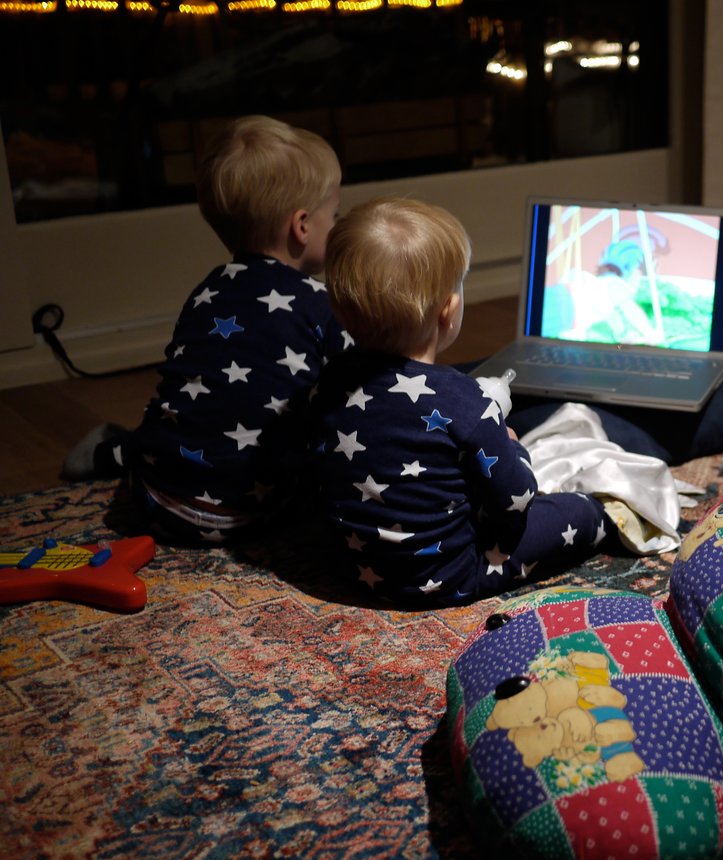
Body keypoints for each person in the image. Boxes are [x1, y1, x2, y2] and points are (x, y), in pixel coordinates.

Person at [309, 197, 613, 608]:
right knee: (582, 514)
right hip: (449, 574)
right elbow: (518, 499)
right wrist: (510, 445)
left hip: (349, 566)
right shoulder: (465, 399)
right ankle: (600, 516)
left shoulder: (330, 378)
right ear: (448, 311)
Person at [62, 115, 349, 543]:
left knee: (189, 416)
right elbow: (360, 390)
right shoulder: (324, 305)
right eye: (335, 214)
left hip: (156, 500)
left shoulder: (207, 291)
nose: (339, 222)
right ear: (302, 225)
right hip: (259, 514)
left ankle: (113, 453)